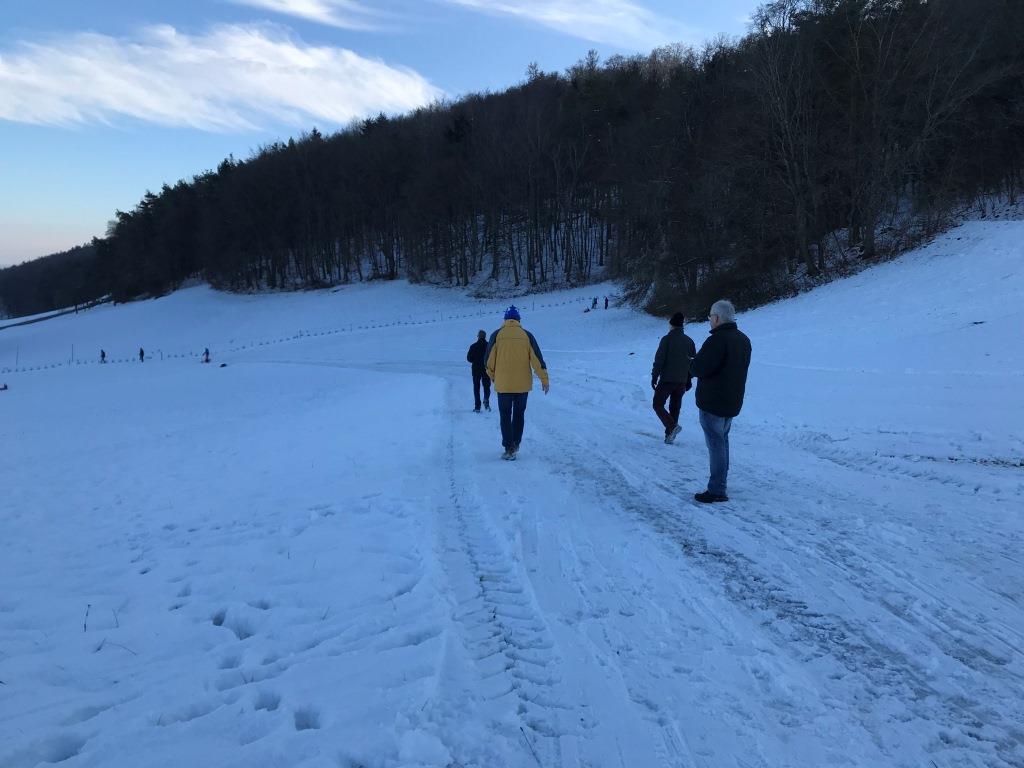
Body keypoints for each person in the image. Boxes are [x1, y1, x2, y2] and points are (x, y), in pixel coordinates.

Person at [689, 299, 752, 503]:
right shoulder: (743, 340)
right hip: (732, 400)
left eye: (710, 317)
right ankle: (720, 484)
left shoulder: (717, 340)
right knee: (722, 442)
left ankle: (717, 489)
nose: (709, 321)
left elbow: (700, 368)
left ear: (716, 318)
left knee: (716, 445)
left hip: (713, 402)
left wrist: (692, 364)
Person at [485, 306, 549, 460]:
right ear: (519, 320)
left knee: (505, 416)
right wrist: (544, 380)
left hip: (503, 386)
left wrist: (494, 377)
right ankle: (516, 443)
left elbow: (488, 362)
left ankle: (508, 448)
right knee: (519, 415)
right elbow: (537, 360)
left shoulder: (496, 335)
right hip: (522, 386)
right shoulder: (527, 335)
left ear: (505, 320)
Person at [651, 312, 696, 444]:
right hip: (681, 381)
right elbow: (692, 362)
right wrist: (689, 379)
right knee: (675, 407)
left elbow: (659, 360)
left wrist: (654, 376)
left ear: (671, 325)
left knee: (658, 404)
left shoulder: (666, 340)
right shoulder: (689, 341)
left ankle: (671, 427)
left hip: (667, 380)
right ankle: (670, 435)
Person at [466, 330, 491, 412]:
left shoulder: (473, 346)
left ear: (478, 336)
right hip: (486, 370)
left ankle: (477, 406)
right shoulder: (489, 346)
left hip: (476, 370)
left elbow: (469, 359)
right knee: (487, 386)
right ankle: (486, 400)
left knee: (476, 388)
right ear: (485, 336)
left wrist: (475, 360)